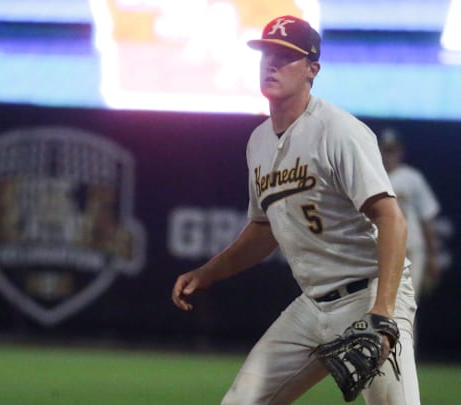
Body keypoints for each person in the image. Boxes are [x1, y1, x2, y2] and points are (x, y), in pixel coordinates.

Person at [171, 16, 420, 404]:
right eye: (267, 53)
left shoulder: (338, 130)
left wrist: (383, 312)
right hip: (312, 304)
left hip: (369, 294)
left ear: (311, 69)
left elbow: (391, 218)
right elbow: (263, 231)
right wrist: (208, 272)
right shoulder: (258, 142)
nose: (271, 62)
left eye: (286, 56)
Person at [380, 128, 442, 299]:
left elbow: (427, 218)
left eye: (392, 150)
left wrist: (433, 255)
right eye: (384, 150)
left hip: (411, 249)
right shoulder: (372, 177)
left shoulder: (412, 178)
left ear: (400, 151)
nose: (388, 155)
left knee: (407, 304)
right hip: (378, 251)